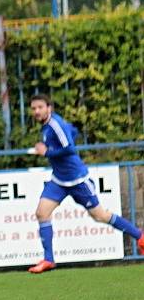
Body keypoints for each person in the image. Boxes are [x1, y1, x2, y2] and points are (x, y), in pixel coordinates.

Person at [28, 94, 144, 273]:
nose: (36, 111)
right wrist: (71, 132)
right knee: (42, 213)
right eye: (34, 108)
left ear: (48, 108)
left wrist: (47, 153)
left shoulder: (54, 124)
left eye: (40, 107)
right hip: (59, 180)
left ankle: (140, 236)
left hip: (77, 180)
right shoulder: (47, 126)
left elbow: (69, 148)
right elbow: (72, 132)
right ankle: (48, 260)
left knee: (100, 216)